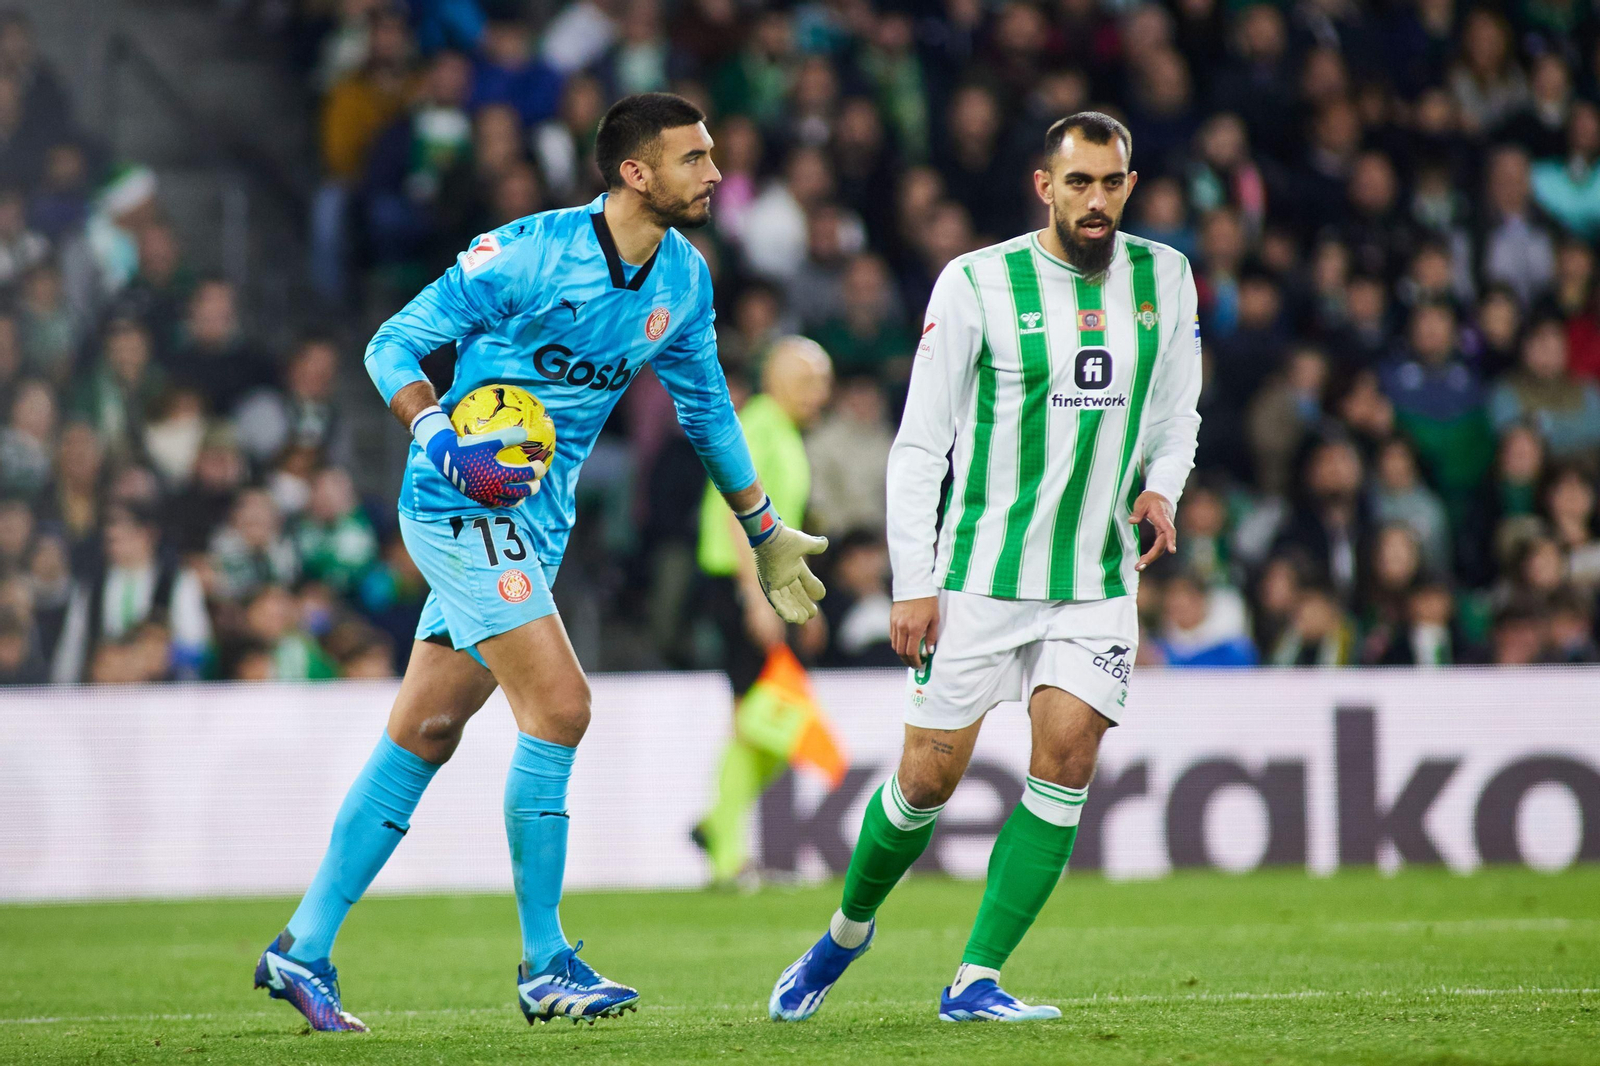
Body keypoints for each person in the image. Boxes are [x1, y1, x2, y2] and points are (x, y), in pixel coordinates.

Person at [255, 93, 829, 1032]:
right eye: (695, 159)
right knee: (561, 705)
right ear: (636, 173)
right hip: (457, 501)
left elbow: (707, 411)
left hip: (539, 524)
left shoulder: (682, 281)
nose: (716, 175)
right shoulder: (524, 253)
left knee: (428, 729)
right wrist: (440, 437)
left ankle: (302, 949)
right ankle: (544, 964)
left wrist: (763, 528)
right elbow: (390, 343)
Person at [771, 112, 1200, 1023]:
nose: (1096, 200)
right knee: (926, 779)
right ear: (1044, 186)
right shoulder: (977, 281)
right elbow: (920, 444)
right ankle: (845, 932)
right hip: (978, 577)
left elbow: (1177, 407)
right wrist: (912, 580)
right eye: (1078, 182)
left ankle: (977, 979)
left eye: (1111, 182)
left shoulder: (1167, 276)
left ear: (1131, 183)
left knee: (1069, 760)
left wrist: (1163, 486)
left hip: (1096, 579)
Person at [691, 335, 831, 887]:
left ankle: (716, 827)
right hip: (736, 585)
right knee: (758, 722)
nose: (818, 394)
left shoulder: (782, 431)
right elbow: (737, 512)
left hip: (762, 586)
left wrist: (799, 601)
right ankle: (727, 856)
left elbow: (780, 530)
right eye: (807, 381)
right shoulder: (759, 425)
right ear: (776, 378)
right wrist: (757, 599)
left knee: (768, 723)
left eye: (823, 384)